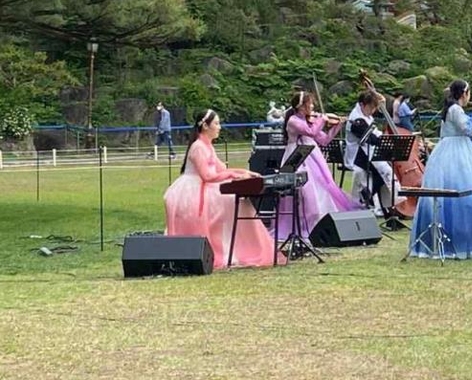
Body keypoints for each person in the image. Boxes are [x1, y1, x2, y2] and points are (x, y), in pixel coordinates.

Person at [408, 80, 472, 259]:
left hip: (453, 150)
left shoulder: (453, 109)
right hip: (457, 153)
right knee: (470, 194)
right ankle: (466, 240)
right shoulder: (455, 109)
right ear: (464, 93)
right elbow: (467, 128)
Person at [164, 109, 276, 269]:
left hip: (206, 186)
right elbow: (207, 176)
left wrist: (244, 172)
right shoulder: (198, 147)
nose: (219, 127)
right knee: (229, 203)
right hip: (194, 190)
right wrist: (233, 175)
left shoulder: (207, 146)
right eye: (216, 123)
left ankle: (238, 248)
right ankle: (225, 250)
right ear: (205, 126)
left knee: (239, 203)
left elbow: (220, 169)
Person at [277, 91, 360, 241]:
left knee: (323, 190)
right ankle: (304, 227)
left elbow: (324, 140)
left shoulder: (310, 120)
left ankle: (320, 225)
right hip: (298, 157)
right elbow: (311, 131)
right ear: (301, 106)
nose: (313, 106)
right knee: (306, 194)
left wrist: (338, 125)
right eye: (310, 103)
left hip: (313, 156)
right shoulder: (293, 121)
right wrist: (322, 119)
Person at [345, 91, 406, 215]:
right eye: (371, 107)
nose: (373, 110)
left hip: (368, 154)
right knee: (385, 172)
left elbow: (375, 132)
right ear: (362, 104)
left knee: (385, 173)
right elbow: (371, 139)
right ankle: (380, 205)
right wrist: (386, 143)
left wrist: (386, 139)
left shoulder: (365, 115)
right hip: (359, 156)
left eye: (374, 108)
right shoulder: (355, 119)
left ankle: (390, 208)